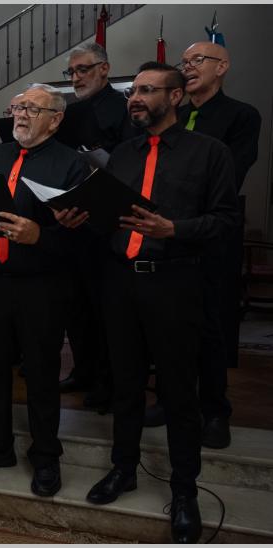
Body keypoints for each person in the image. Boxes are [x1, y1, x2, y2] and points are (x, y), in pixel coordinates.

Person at [79, 63, 238, 544]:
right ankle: (122, 469)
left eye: (147, 91)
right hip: (120, 284)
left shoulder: (209, 153)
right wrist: (77, 217)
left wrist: (175, 229)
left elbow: (227, 222)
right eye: (133, 92)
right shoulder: (121, 155)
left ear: (175, 97)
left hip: (175, 285)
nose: (136, 99)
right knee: (125, 386)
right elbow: (108, 219)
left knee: (178, 394)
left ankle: (184, 492)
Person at [0, 85, 89, 499]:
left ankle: (46, 455)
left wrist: (39, 236)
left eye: (31, 109)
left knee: (42, 374)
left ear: (56, 118)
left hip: (42, 286)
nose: (20, 115)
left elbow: (84, 240)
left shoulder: (72, 165)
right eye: (17, 108)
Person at [175, 41, 262, 449]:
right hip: (168, 236)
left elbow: (231, 172)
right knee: (172, 326)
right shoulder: (171, 114)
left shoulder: (241, 115)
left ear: (221, 66)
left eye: (197, 61)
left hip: (211, 235)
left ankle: (214, 410)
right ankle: (177, 401)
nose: (188, 67)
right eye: (185, 62)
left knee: (211, 326)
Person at [55, 42, 134, 411]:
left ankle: (108, 380)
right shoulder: (70, 110)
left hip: (107, 219)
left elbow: (131, 158)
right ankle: (83, 369)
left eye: (83, 69)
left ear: (104, 69)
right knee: (75, 303)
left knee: (104, 308)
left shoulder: (125, 108)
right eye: (71, 72)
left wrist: (99, 154)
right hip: (72, 217)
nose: (76, 78)